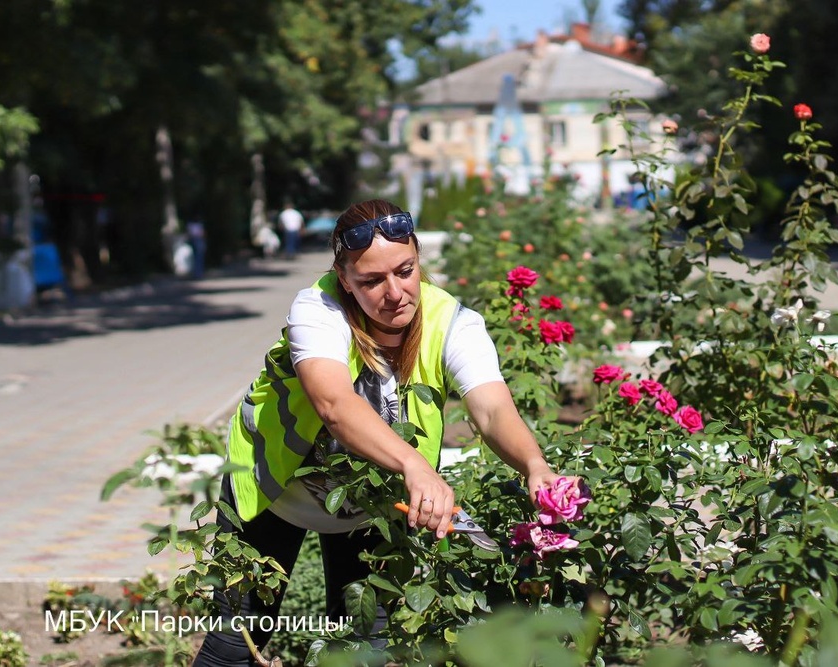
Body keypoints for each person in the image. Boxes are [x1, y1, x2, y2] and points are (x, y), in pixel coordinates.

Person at [193, 199, 570, 665]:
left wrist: (535, 465)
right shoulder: (317, 310)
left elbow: (491, 409)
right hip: (272, 487)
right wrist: (415, 465)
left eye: (405, 270)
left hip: (371, 501)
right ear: (344, 279)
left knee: (359, 651)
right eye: (371, 280)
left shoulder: (454, 324)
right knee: (233, 647)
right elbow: (334, 404)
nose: (395, 292)